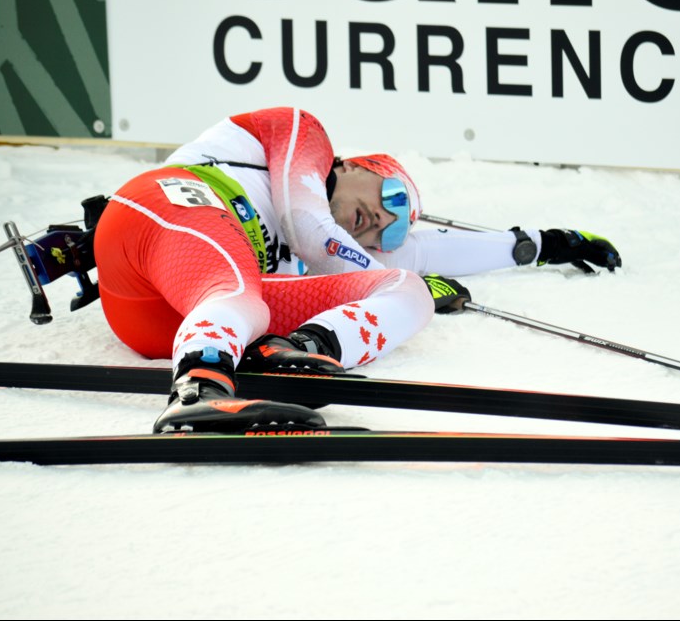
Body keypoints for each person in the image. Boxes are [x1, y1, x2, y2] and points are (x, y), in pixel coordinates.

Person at [93, 107, 620, 434]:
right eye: (390, 195)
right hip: (166, 217)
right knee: (240, 292)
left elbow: (428, 254)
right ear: (353, 165)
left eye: (393, 231)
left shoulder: (344, 243)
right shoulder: (303, 133)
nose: (384, 220)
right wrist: (362, 257)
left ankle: (303, 353)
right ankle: (197, 392)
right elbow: (311, 232)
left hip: (168, 321)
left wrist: (540, 245)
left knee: (407, 291)